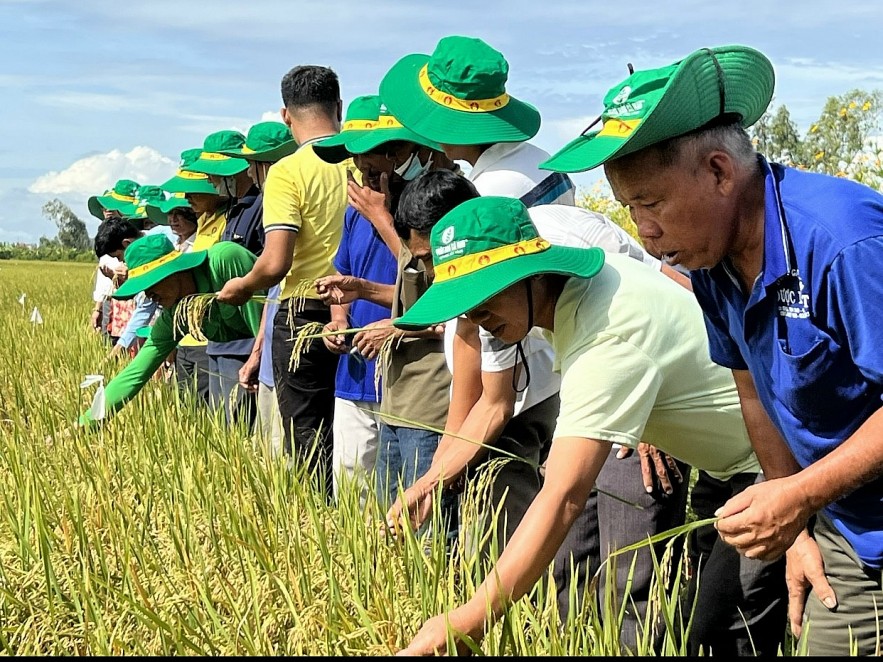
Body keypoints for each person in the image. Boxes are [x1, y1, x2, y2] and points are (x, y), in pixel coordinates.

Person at [542, 43, 883, 656]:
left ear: (720, 172)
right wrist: (794, 522)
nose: (643, 230)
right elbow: (754, 390)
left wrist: (800, 497)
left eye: (651, 203)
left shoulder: (843, 243)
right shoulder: (713, 265)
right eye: (628, 208)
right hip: (851, 523)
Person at [380, 35, 691, 637]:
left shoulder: (515, 251)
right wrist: (432, 481)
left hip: (636, 395)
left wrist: (652, 412)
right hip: (582, 393)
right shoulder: (515, 200)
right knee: (569, 562)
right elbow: (486, 397)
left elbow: (661, 294)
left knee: (631, 573)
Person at [391, 196, 787, 657]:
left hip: (773, 466)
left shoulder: (606, 331)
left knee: (715, 637)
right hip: (732, 465)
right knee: (697, 623)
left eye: (483, 301)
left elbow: (563, 497)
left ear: (532, 274)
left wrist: (470, 620)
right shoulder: (581, 294)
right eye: (466, 309)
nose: (475, 320)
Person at [217, 65, 353, 499]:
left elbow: (276, 263)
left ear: (286, 115)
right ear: (339, 107)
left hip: (304, 315)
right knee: (356, 428)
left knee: (309, 437)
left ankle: (319, 517)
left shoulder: (288, 171)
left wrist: (242, 286)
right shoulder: (362, 161)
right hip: (365, 309)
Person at [312, 94, 449, 507]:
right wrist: (339, 318)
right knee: (353, 489)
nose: (364, 175)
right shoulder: (353, 213)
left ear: (401, 154)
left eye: (374, 165)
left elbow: (428, 292)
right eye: (359, 165)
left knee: (407, 499)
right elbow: (345, 279)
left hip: (411, 377)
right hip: (357, 370)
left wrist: (382, 219)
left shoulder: (426, 212)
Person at [77, 233, 263, 426]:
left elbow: (266, 327)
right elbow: (135, 373)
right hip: (241, 358)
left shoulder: (224, 261)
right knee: (230, 426)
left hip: (272, 351)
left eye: (150, 284)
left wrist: (257, 358)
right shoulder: (175, 315)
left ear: (172, 271)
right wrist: (85, 424)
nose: (149, 295)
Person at [160, 148, 227, 404]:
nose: (188, 198)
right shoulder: (207, 221)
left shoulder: (226, 220)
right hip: (188, 331)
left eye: (192, 192)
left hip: (211, 332)